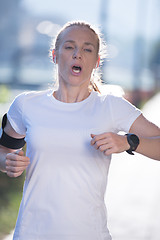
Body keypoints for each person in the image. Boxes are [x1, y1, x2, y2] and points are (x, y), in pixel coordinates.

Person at [0, 21, 160, 240]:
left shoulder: (111, 106)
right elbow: (4, 150)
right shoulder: (27, 104)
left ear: (96, 61)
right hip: (32, 233)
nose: (78, 55)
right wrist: (7, 162)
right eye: (69, 47)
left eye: (87, 49)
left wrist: (129, 142)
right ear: (55, 55)